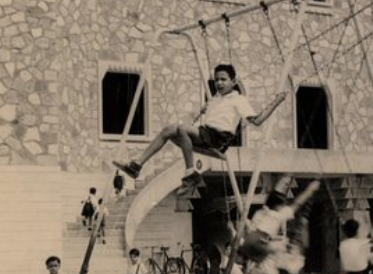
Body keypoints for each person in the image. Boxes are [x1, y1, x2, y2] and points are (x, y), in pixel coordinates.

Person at [113, 64, 285, 195]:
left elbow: (258, 121)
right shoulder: (216, 98)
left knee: (182, 129)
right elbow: (211, 115)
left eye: (223, 79)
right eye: (216, 80)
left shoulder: (239, 99)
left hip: (219, 137)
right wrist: (206, 109)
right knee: (168, 130)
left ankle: (191, 174)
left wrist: (276, 102)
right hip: (206, 132)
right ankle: (136, 165)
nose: (219, 83)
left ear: (234, 82)